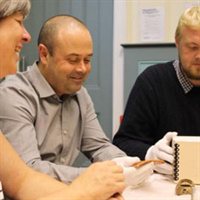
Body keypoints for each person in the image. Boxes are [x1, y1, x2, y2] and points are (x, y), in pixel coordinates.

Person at [0, 0, 150, 200]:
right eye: (72, 60)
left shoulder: (80, 95)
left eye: (87, 60)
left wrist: (125, 164)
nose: (82, 69)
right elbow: (28, 171)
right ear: (44, 55)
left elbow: (98, 146)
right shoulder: (13, 94)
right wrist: (95, 179)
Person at [113, 6, 200, 176]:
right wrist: (150, 153)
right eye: (192, 47)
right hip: (163, 184)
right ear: (177, 42)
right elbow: (123, 142)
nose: (199, 56)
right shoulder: (152, 81)